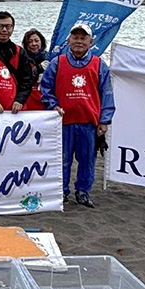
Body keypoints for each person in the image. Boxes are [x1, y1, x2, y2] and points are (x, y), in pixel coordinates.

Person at [40, 23, 115, 208]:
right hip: (63, 122)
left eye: (83, 38)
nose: (79, 41)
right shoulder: (58, 62)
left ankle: (83, 191)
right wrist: (53, 105)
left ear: (91, 42)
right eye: (75, 37)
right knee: (62, 160)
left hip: (88, 123)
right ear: (69, 40)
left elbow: (106, 93)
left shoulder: (99, 65)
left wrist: (104, 120)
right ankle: (61, 192)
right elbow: (46, 88)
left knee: (87, 160)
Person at [22, 28, 49, 110]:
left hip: (45, 100)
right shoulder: (22, 59)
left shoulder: (49, 58)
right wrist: (38, 69)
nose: (34, 44)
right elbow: (23, 79)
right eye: (30, 42)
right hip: (28, 101)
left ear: (42, 42)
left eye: (36, 41)